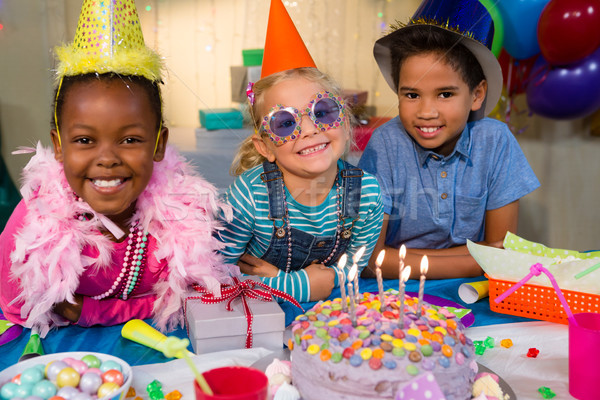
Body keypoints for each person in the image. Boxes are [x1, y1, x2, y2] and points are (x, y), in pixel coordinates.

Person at [0, 0, 232, 337]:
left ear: (159, 144)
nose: (107, 158)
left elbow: (189, 299)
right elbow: (16, 310)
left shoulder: (182, 220)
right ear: (59, 146)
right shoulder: (31, 227)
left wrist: (92, 311)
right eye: (84, 140)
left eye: (130, 140)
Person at [359, 0, 540, 279]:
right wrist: (476, 259)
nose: (426, 112)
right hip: (394, 294)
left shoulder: (495, 141)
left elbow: (503, 251)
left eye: (445, 94)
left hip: (473, 294)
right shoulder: (386, 143)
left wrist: (402, 256)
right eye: (412, 95)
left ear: (477, 95)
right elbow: (371, 260)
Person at [217, 0, 383, 303]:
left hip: (330, 318)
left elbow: (354, 270)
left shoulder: (368, 193)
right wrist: (294, 285)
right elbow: (213, 273)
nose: (308, 129)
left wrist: (331, 280)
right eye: (284, 122)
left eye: (323, 111)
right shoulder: (249, 196)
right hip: (255, 315)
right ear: (265, 146)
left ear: (345, 122)